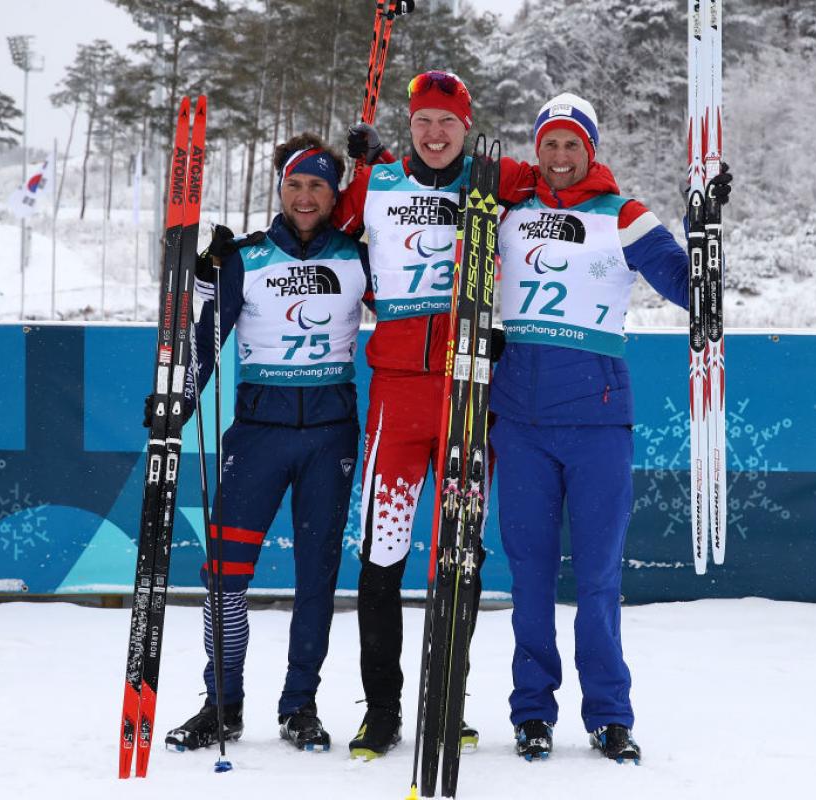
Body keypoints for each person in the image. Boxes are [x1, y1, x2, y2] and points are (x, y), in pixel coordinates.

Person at [489, 93, 732, 763]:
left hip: (596, 421)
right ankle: (532, 712)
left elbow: (697, 293)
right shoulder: (507, 211)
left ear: (591, 150)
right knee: (530, 578)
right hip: (519, 421)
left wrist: (705, 227)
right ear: (536, 148)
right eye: (551, 143)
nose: (561, 155)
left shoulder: (622, 216)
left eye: (573, 144)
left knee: (597, 577)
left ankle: (609, 715)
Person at [335, 70, 537, 759]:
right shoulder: (378, 183)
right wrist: (350, 163)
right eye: (423, 120)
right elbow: (314, 226)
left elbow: (563, 176)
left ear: (465, 125)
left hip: (468, 393)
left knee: (460, 554)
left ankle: (447, 695)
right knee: (382, 554)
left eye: (447, 121)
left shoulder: (493, 178)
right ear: (410, 125)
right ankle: (383, 710)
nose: (435, 133)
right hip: (397, 394)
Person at [160, 132, 370, 754]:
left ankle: (299, 704)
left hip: (330, 434)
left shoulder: (359, 259)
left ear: (335, 195)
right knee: (225, 575)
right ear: (280, 188)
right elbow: (205, 340)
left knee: (316, 579)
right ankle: (221, 703)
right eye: (295, 184)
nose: (305, 196)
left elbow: (412, 317)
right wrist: (175, 408)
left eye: (318, 186)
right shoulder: (247, 258)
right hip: (257, 435)